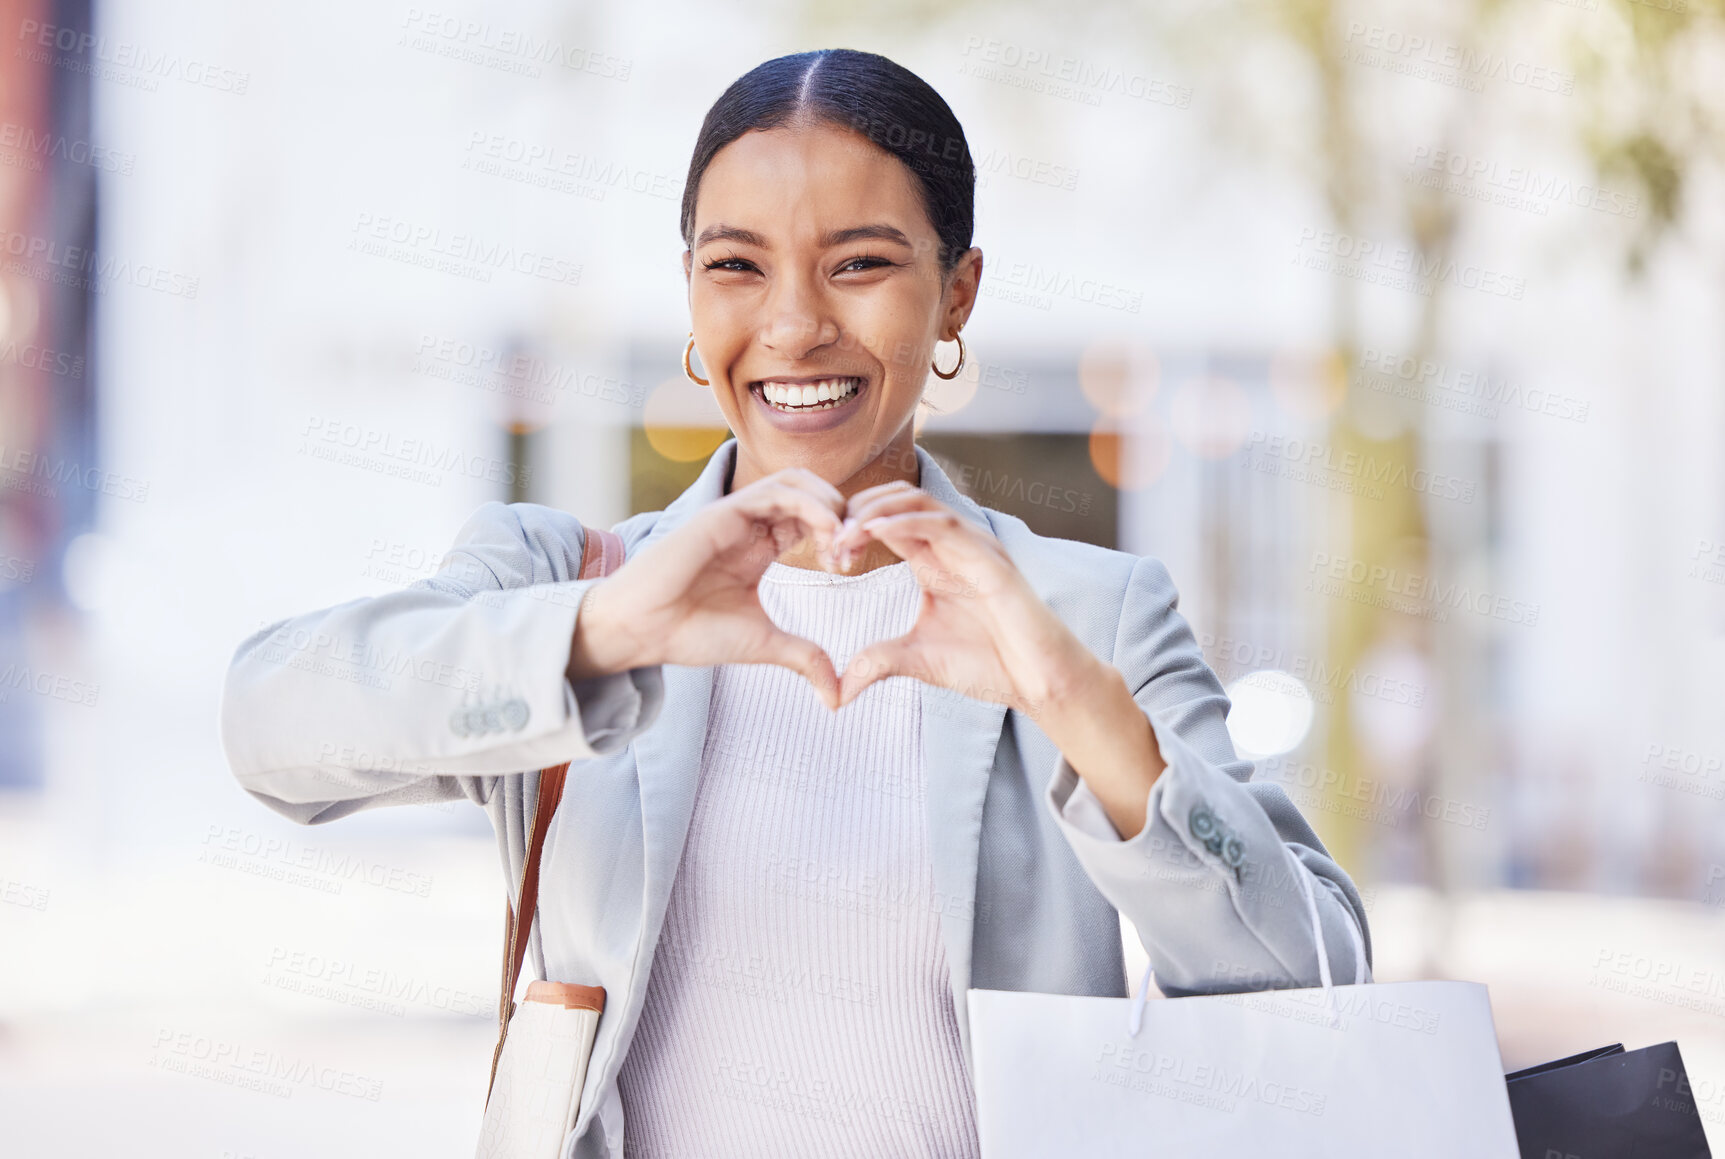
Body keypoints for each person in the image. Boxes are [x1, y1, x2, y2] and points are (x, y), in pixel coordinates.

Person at [220, 47, 1370, 1159]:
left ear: (957, 293)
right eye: (737, 265)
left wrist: (1074, 703)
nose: (794, 324)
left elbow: (1315, 975)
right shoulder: (568, 587)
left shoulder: (1089, 614)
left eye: (860, 263)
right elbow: (272, 729)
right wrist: (605, 635)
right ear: (689, 293)